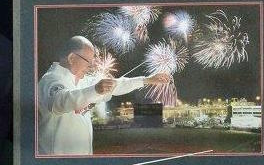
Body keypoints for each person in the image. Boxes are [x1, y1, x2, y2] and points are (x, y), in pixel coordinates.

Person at [38, 35, 170, 155]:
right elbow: (60, 102)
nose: (91, 65)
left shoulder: (83, 81)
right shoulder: (51, 79)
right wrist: (95, 90)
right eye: (88, 61)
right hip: (57, 160)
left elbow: (117, 84)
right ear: (72, 58)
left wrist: (146, 80)